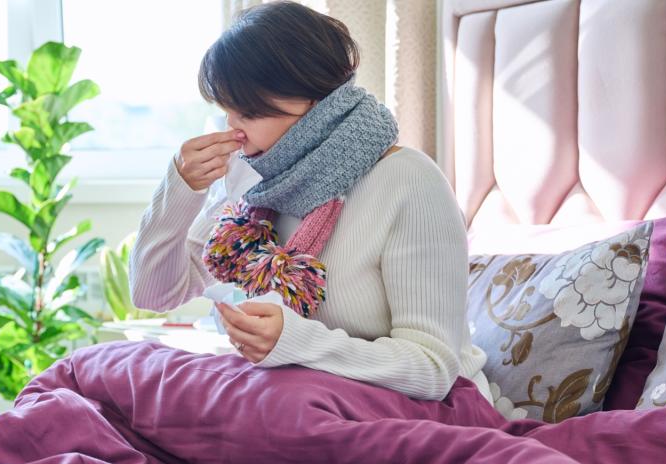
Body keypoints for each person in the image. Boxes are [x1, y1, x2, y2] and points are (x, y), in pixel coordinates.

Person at [129, 0, 490, 403]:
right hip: (298, 403)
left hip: (420, 411)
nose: (232, 130)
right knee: (116, 373)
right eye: (226, 110)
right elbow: (152, 295)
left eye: (247, 112)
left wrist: (295, 341)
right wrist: (180, 187)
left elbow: (433, 369)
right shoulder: (253, 181)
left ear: (317, 107)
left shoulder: (410, 182)